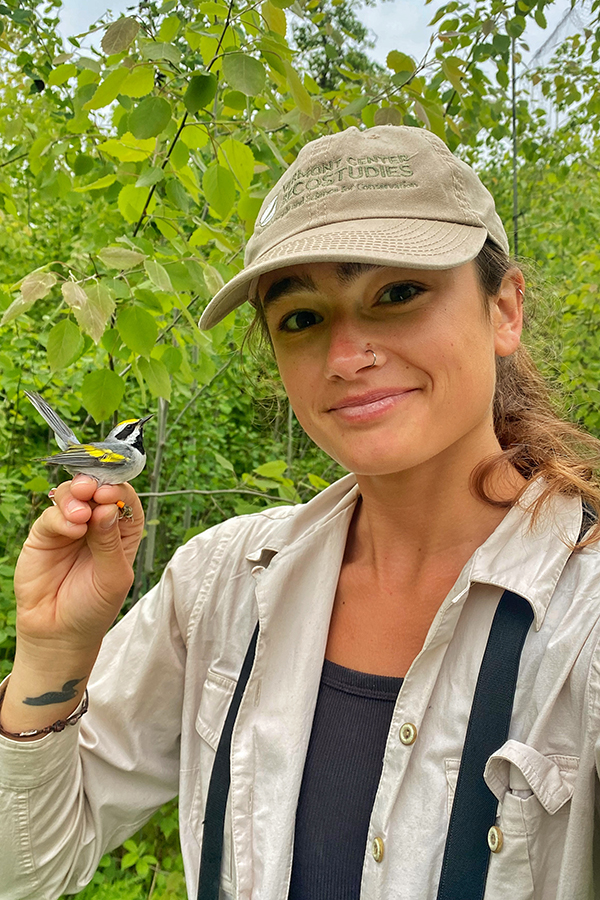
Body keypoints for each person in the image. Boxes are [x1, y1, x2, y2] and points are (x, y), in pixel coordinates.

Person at [1, 124, 600, 900]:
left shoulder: (582, 625)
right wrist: (52, 654)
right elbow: (29, 869)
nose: (347, 355)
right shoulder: (218, 586)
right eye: (303, 317)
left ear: (505, 311)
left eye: (397, 293)